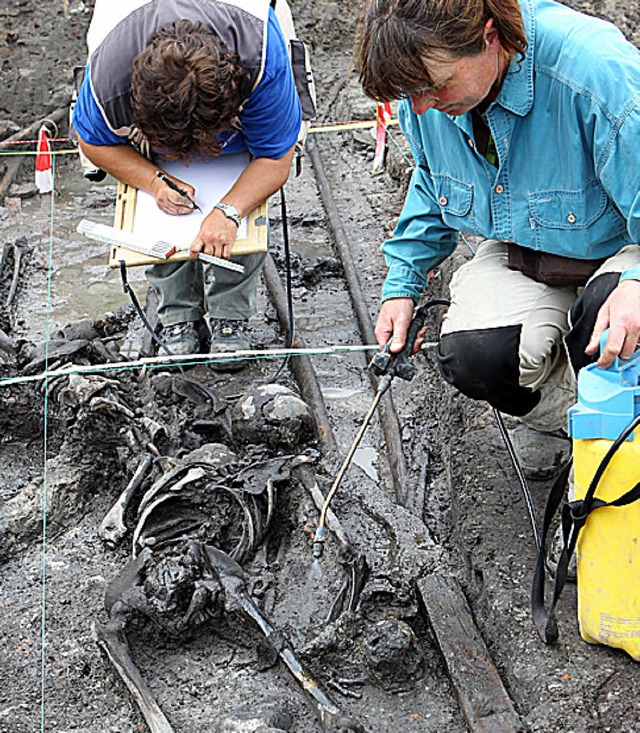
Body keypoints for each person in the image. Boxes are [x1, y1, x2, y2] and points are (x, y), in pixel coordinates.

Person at [355, 0, 640, 477]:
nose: (423, 106)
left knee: (608, 327)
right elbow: (432, 181)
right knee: (474, 355)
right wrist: (402, 286)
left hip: (623, 248)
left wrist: (635, 282)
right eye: (409, 94)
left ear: (489, 36)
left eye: (433, 86)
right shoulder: (427, 100)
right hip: (529, 247)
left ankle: (618, 426)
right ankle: (568, 420)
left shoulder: (595, 73)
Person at [72, 0, 306, 369]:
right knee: (159, 212)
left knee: (244, 200)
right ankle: (178, 316)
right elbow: (94, 142)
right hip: (130, 50)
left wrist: (228, 211)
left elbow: (275, 157)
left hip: (246, 63)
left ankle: (231, 315)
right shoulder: (108, 81)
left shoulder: (261, 59)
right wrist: (154, 179)